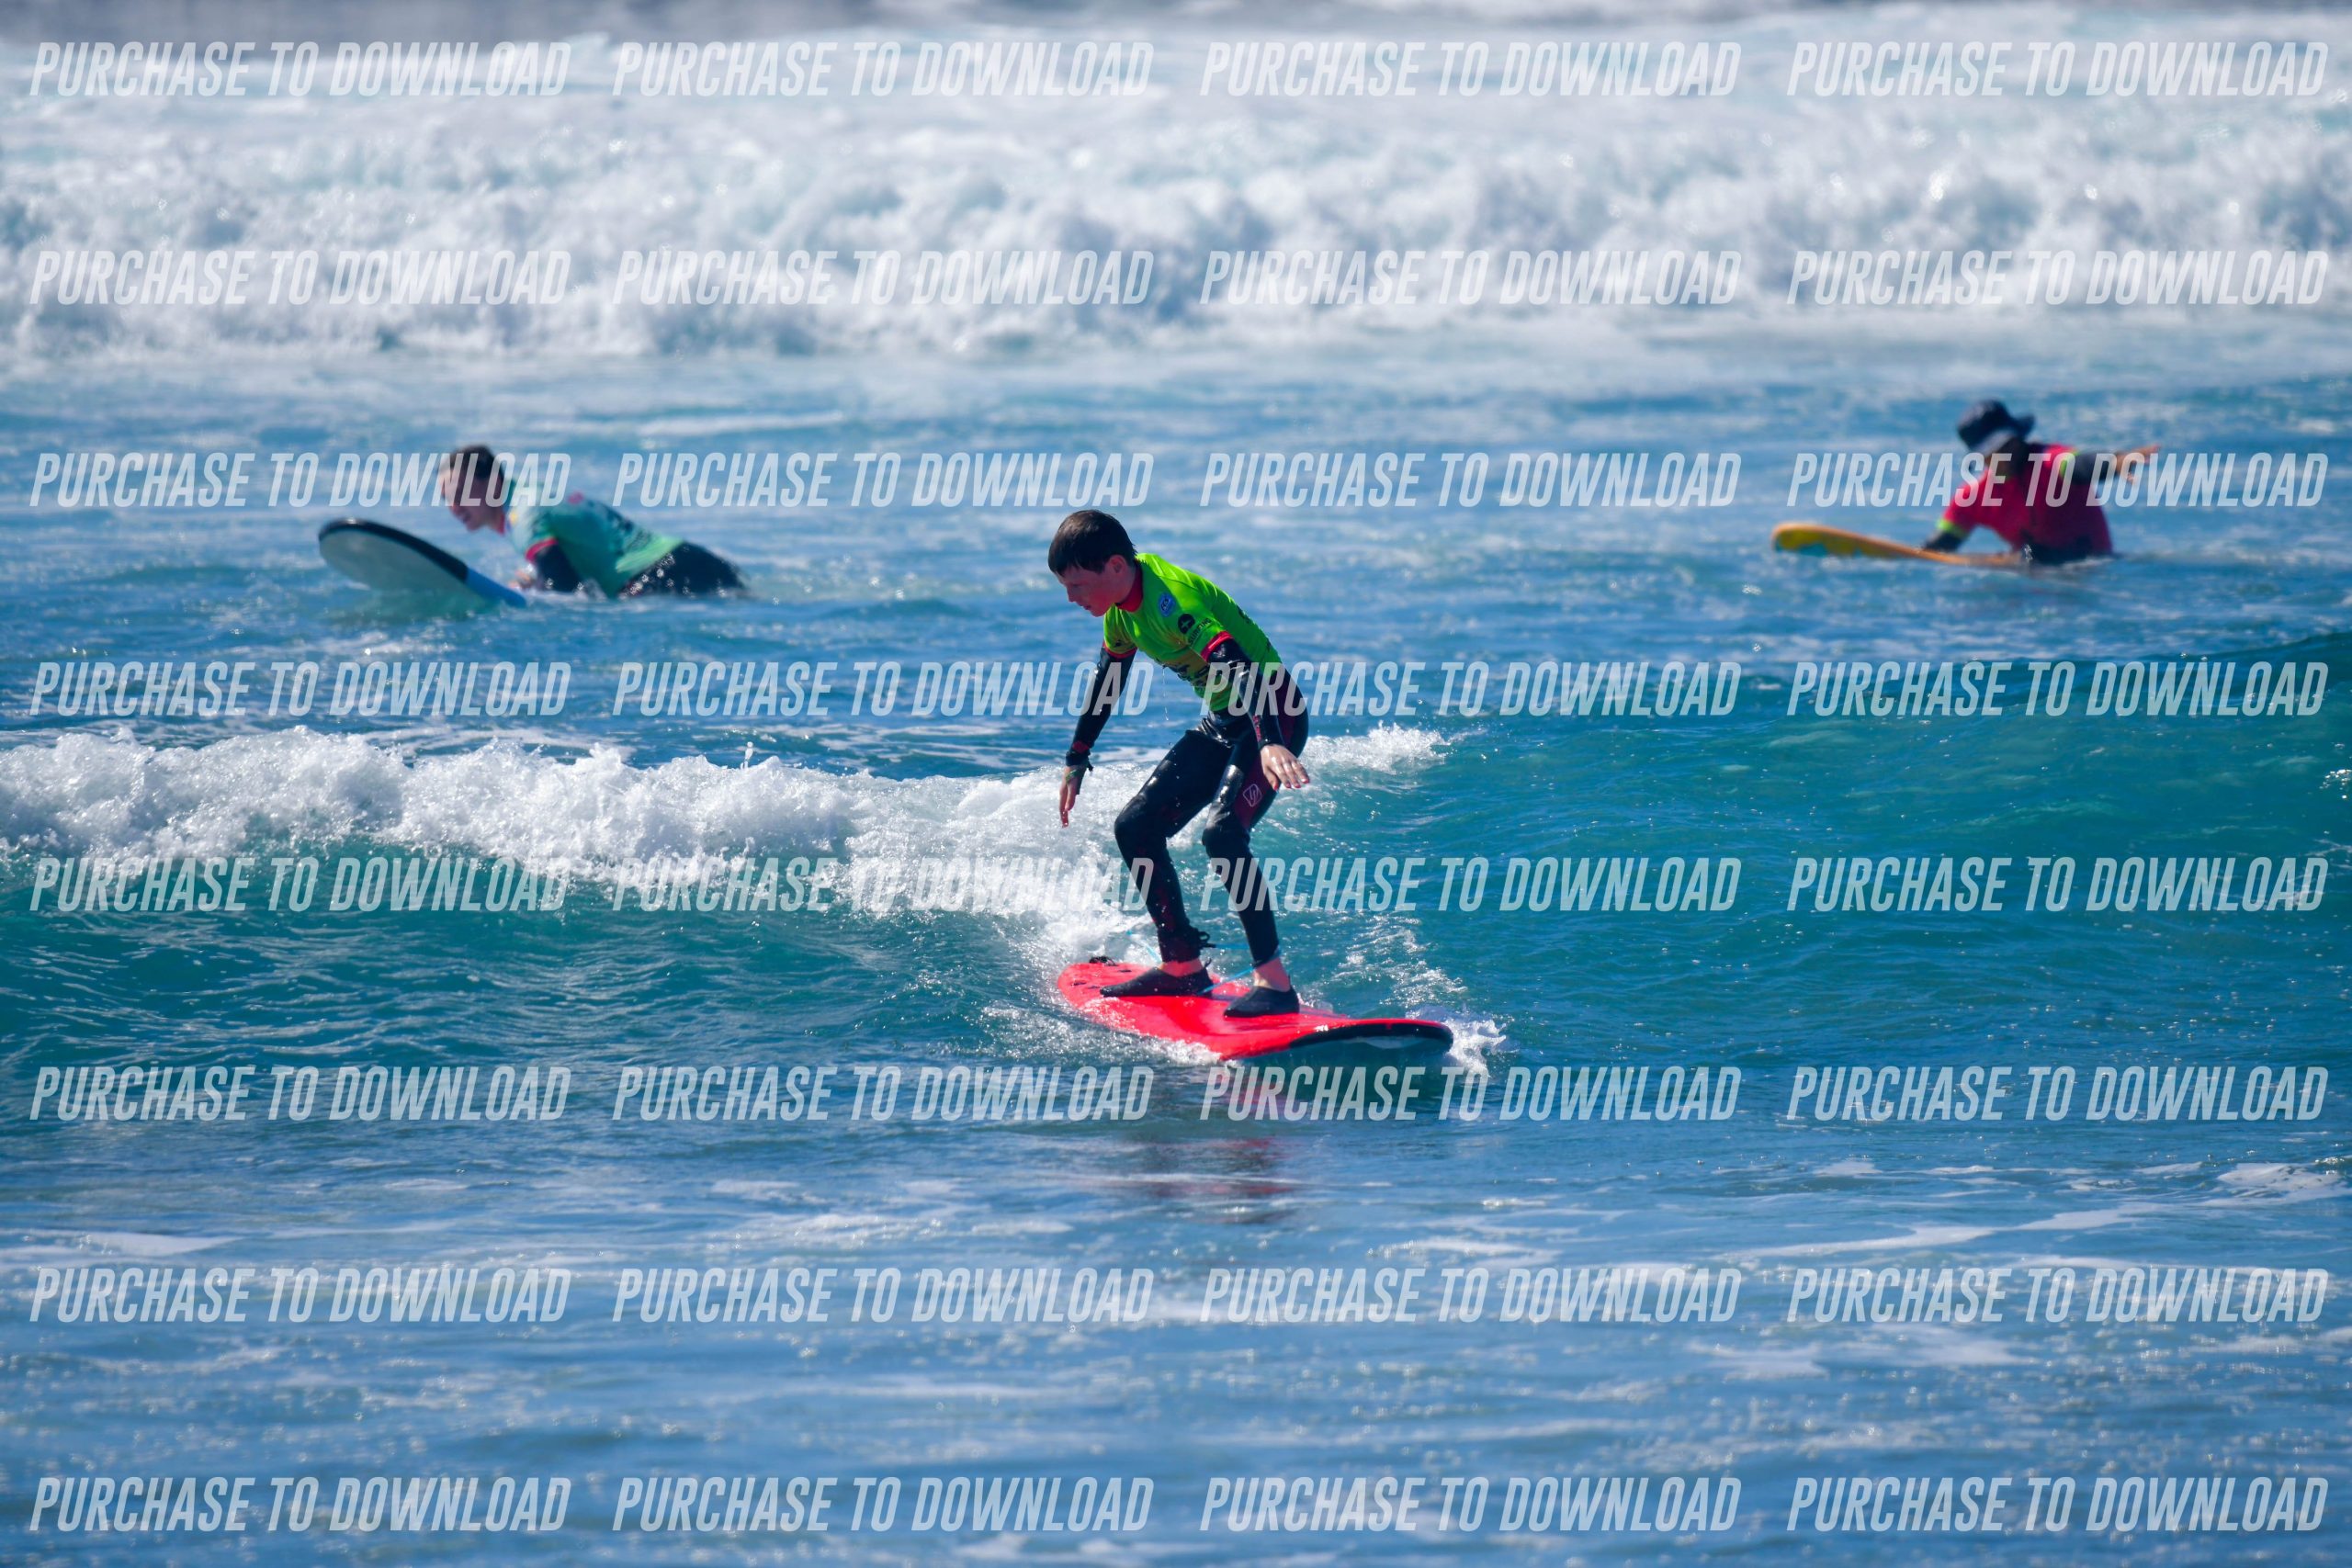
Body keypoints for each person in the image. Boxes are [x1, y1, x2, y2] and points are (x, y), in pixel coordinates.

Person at [1051, 510, 1311, 1018]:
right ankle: (1181, 966)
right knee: (1135, 826)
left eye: (1077, 584)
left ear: (1115, 566)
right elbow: (1108, 682)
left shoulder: (1174, 600)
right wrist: (1076, 759)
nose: (1071, 598)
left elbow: (1241, 668)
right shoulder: (1120, 612)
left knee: (1223, 835)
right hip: (1226, 718)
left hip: (1272, 712)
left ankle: (1275, 984)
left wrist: (1270, 743)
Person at [439, 445, 742, 596]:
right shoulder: (528, 497)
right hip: (688, 563)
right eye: (447, 498)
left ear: (493, 483)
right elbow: (564, 558)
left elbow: (566, 590)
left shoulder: (522, 516)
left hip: (661, 578)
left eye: (460, 493)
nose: (454, 507)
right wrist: (527, 581)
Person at [1922, 400, 2152, 565]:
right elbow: (1935, 551)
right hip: (2031, 581)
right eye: (1994, 450)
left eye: (2008, 444)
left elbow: (2081, 464)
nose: (2005, 454)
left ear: (2019, 437)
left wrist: (2115, 462)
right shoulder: (1973, 498)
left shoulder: (2051, 462)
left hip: (2092, 572)